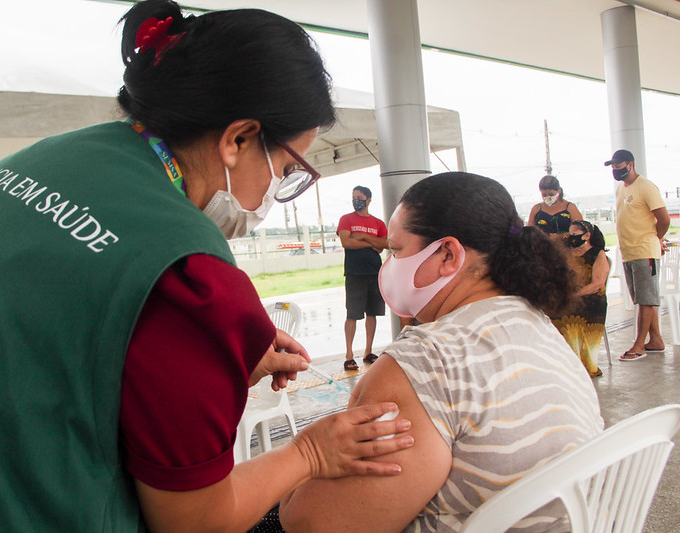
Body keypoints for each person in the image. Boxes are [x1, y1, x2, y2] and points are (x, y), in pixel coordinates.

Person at [0, 2, 415, 531]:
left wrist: (200, 362)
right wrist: (310, 454)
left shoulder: (43, 162)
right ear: (239, 139)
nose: (277, 188)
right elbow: (196, 522)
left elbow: (48, 341)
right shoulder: (187, 275)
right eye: (284, 168)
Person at [280, 172, 603, 532]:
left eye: (397, 250)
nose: (390, 264)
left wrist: (304, 459)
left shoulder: (426, 362)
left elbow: (311, 524)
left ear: (448, 254)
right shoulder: (539, 326)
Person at [606, 149, 670, 361]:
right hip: (629, 252)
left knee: (646, 300)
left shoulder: (646, 187)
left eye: (619, 165)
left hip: (645, 250)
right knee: (640, 299)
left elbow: (664, 219)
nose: (616, 170)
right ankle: (656, 340)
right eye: (613, 167)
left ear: (630, 164)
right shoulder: (621, 190)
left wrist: (655, 238)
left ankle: (639, 345)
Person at [337, 185, 388, 371]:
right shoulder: (346, 219)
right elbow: (346, 242)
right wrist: (371, 244)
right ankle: (349, 355)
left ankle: (368, 352)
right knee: (352, 315)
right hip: (354, 274)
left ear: (368, 200)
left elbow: (384, 244)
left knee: (372, 313)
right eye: (353, 197)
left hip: (374, 273)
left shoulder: (378, 223)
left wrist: (364, 236)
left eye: (359, 197)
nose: (355, 200)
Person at [552, 220, 610, 378]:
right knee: (547, 312)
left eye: (575, 235)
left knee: (567, 317)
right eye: (570, 234)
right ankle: (559, 362)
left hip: (591, 299)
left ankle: (576, 364)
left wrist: (574, 295)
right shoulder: (566, 253)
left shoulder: (598, 254)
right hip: (571, 295)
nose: (571, 238)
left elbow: (597, 284)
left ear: (587, 235)